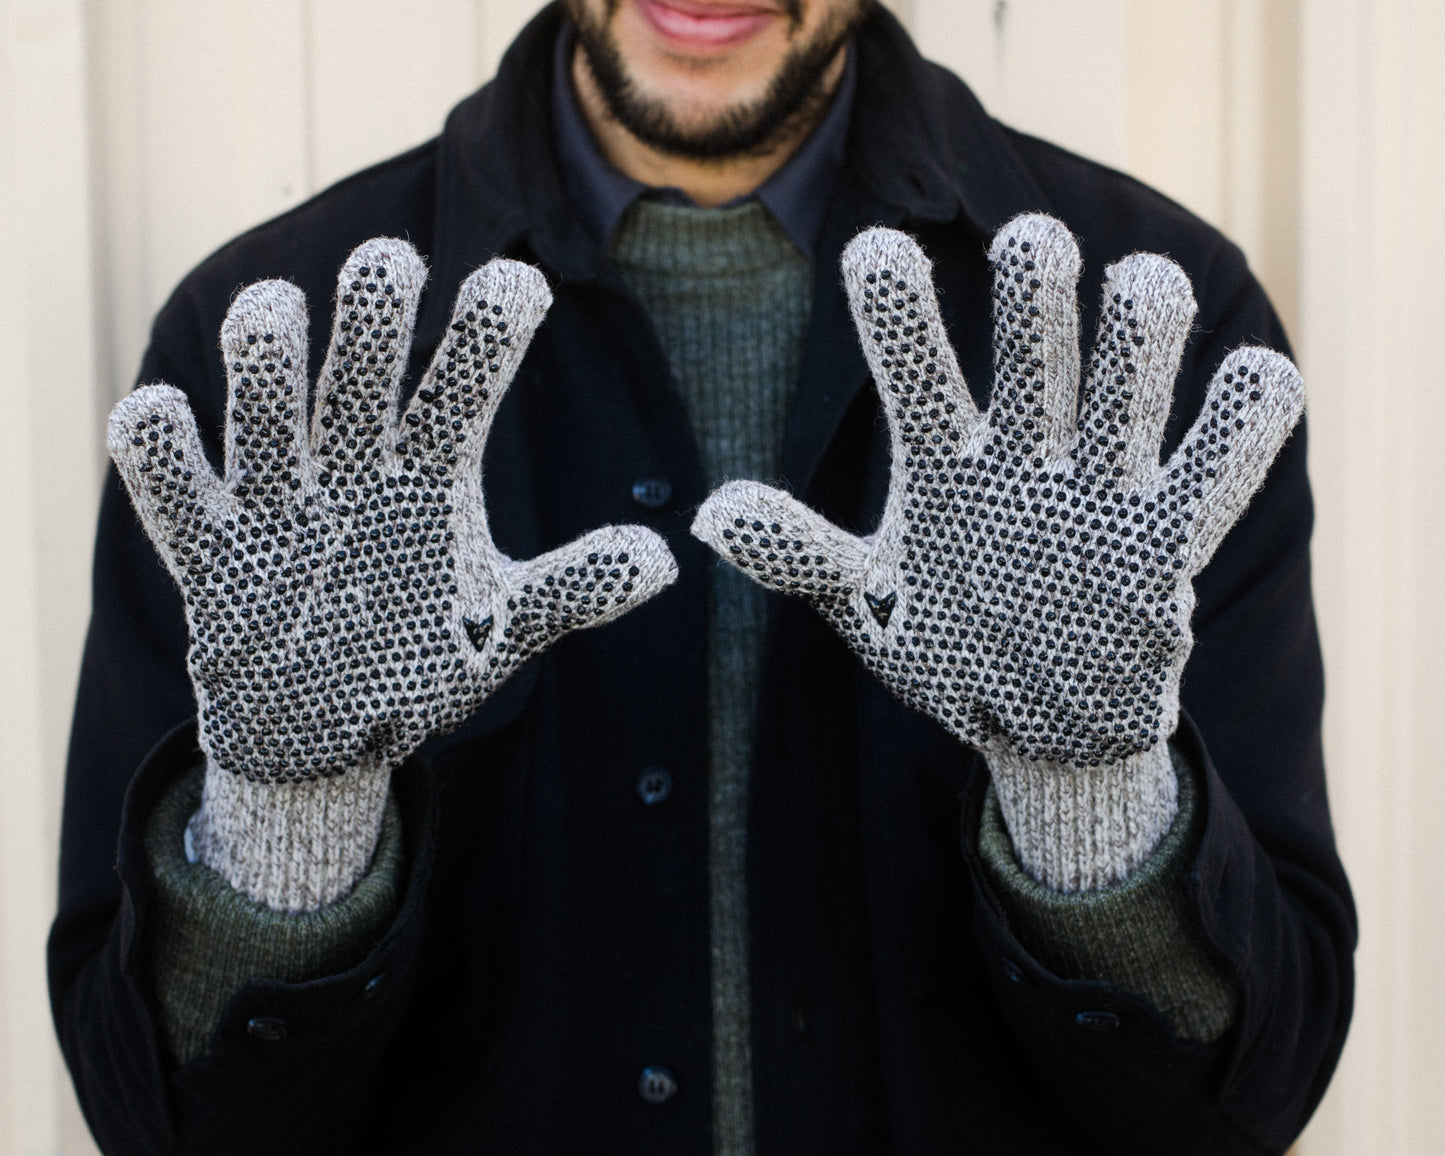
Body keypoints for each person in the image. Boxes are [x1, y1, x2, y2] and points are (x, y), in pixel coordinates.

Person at [49, 1, 1355, 1152]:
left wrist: (1090, 802)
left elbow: (1246, 1102)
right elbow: (159, 1122)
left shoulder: (1141, 333)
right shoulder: (279, 351)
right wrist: (292, 835)